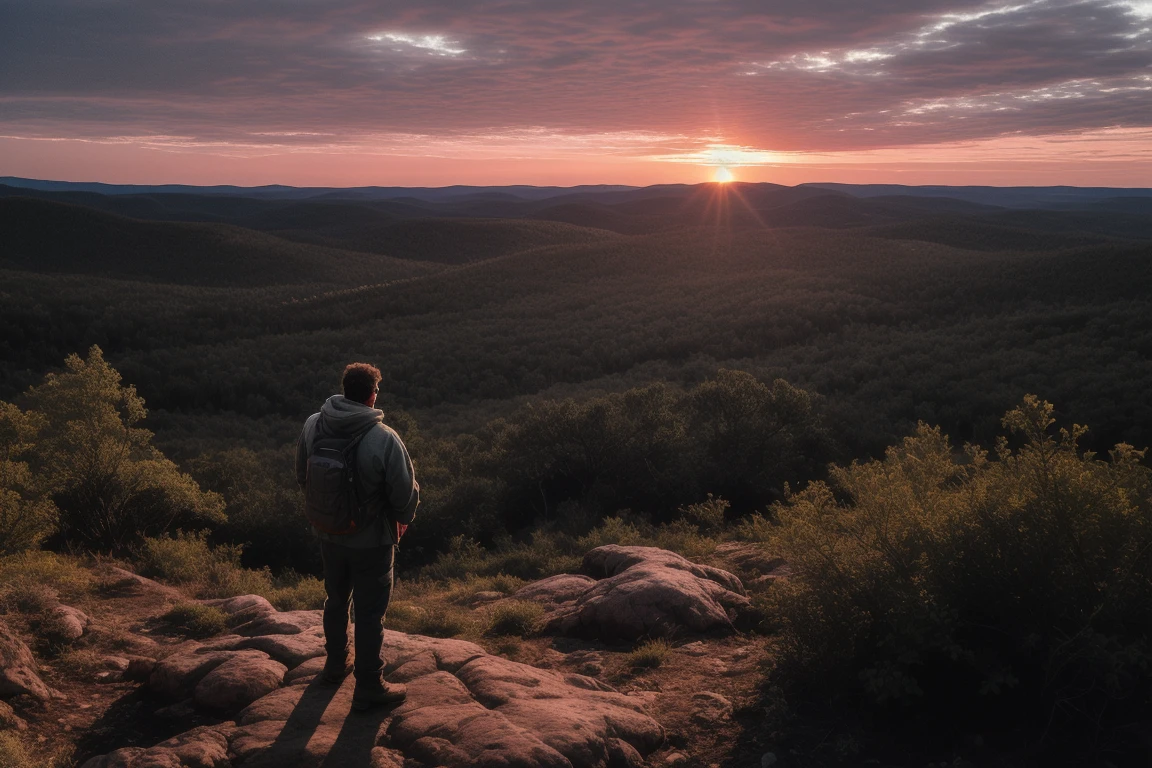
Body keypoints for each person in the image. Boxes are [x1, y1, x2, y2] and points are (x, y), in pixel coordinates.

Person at [295, 362, 419, 710]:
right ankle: (369, 684)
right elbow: (404, 492)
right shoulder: (383, 438)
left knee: (335, 600)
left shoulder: (313, 425)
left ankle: (335, 667)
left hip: (328, 534)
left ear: (345, 389)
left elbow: (302, 475)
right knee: (369, 613)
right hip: (372, 542)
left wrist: (327, 514)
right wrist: (402, 519)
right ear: (372, 395)